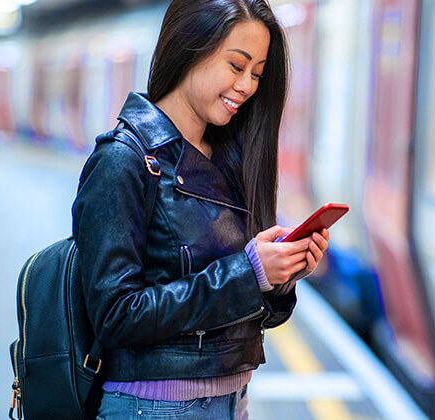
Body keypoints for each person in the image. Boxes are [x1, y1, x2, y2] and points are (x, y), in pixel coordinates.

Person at [70, 0, 329, 418]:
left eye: (257, 74)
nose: (247, 86)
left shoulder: (230, 158)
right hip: (152, 408)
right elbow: (115, 315)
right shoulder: (124, 161)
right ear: (190, 48)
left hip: (232, 403)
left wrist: (280, 277)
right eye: (236, 65)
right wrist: (250, 273)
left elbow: (241, 317)